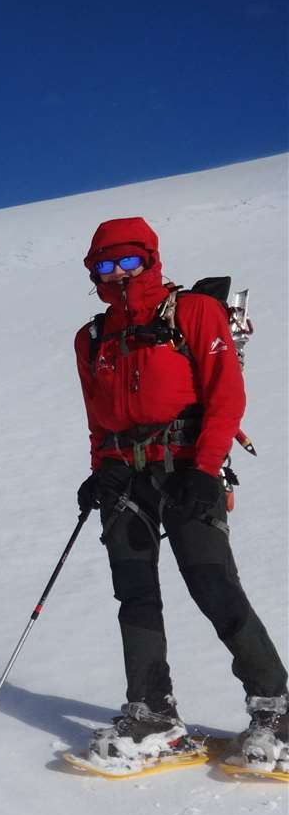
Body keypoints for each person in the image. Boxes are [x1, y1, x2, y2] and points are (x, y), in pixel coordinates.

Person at [73, 217, 287, 774]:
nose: (117, 273)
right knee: (134, 593)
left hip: (190, 466)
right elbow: (99, 419)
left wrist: (206, 467)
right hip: (128, 478)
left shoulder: (192, 312)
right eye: (104, 264)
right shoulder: (92, 337)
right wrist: (102, 470)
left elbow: (225, 396)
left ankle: (276, 706)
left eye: (128, 261)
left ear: (150, 259)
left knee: (213, 583)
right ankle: (152, 714)